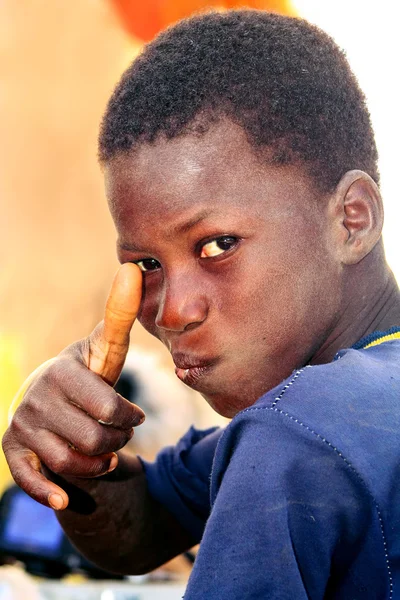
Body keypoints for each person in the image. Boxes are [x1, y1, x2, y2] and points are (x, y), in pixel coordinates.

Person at [3, 9, 400, 599]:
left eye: (218, 245)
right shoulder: (348, 405)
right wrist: (71, 455)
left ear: (351, 218)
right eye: (148, 266)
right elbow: (147, 524)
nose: (173, 312)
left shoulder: (297, 434)